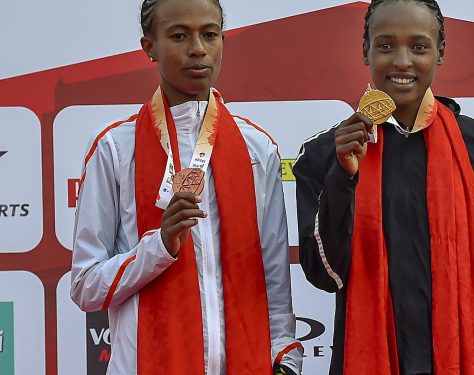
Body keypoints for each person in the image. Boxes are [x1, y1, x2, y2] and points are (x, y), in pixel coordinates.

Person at [293, 1, 474, 374]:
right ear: (365, 50)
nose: (402, 61)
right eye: (386, 46)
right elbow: (326, 275)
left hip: (469, 358)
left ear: (441, 52)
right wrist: (343, 177)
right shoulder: (325, 152)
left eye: (419, 47)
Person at [69, 0, 301, 373]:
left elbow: (274, 278)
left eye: (210, 34)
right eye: (179, 36)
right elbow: (84, 286)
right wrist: (157, 247)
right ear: (150, 47)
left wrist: (286, 359)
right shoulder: (114, 147)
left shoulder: (258, 149)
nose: (198, 48)